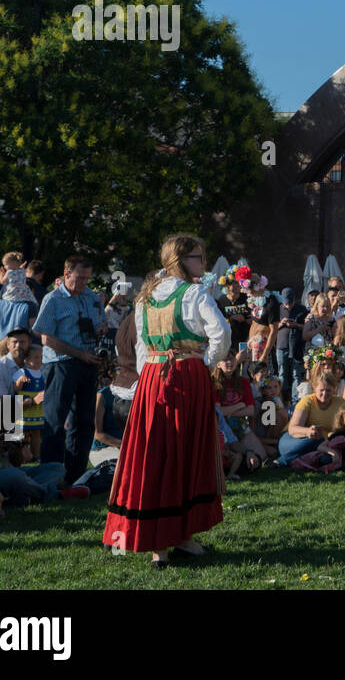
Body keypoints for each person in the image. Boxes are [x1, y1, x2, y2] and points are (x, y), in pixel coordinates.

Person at [103, 235, 230, 569]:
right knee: (185, 453)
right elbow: (222, 334)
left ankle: (164, 543)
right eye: (199, 258)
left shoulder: (145, 298)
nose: (203, 264)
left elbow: (144, 349)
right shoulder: (194, 293)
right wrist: (203, 361)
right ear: (181, 260)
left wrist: (149, 379)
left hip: (152, 380)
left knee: (155, 454)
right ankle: (178, 536)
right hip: (186, 377)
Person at [33, 254, 108, 485]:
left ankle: (75, 475)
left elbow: (101, 322)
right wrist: (79, 354)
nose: (84, 282)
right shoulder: (53, 299)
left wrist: (102, 328)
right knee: (55, 421)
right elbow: (45, 337)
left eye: (87, 278)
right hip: (61, 363)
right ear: (66, 274)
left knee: (85, 421)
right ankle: (51, 476)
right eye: (80, 277)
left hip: (89, 362)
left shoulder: (92, 297)